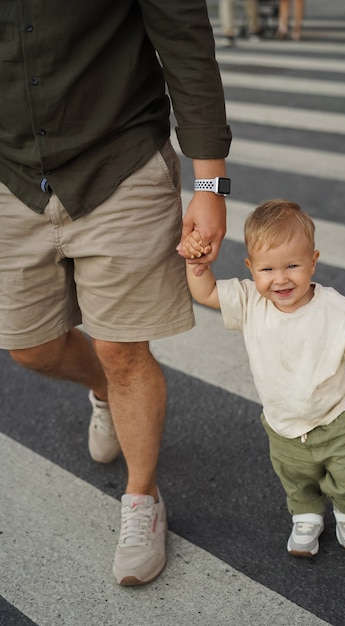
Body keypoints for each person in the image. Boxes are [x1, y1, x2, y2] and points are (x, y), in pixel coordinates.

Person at [0, 0, 232, 586]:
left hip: (119, 159)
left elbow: (186, 42)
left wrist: (210, 183)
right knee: (30, 346)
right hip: (11, 176)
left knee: (122, 348)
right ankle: (102, 389)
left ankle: (142, 498)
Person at [178, 200, 345, 557]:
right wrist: (197, 264)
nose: (280, 279)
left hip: (336, 417)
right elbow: (204, 292)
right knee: (297, 479)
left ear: (313, 261)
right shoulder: (251, 300)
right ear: (251, 268)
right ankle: (307, 517)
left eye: (293, 266)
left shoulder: (332, 306)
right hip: (284, 423)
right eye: (267, 269)